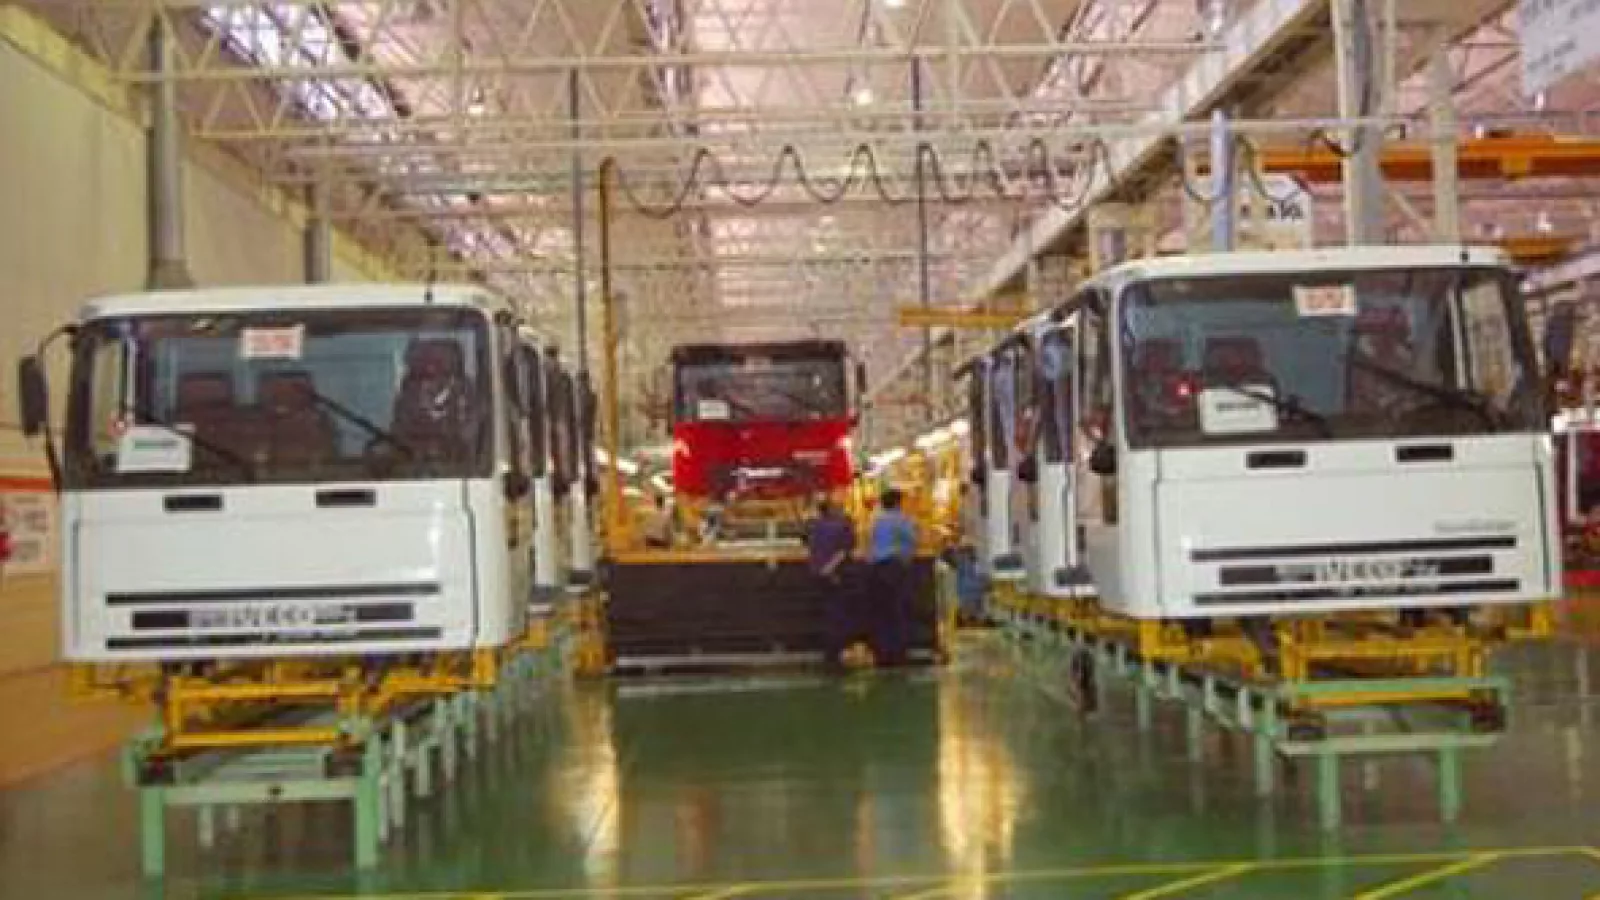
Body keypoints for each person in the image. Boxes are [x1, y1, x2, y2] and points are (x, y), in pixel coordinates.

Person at [866, 488, 917, 666]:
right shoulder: (902, 520)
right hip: (895, 567)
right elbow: (912, 540)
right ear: (897, 502)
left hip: (877, 568)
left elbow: (871, 544)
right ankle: (898, 651)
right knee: (898, 608)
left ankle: (882, 651)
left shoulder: (877, 520)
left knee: (881, 610)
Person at [805, 499, 857, 668]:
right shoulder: (843, 526)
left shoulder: (814, 526)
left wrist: (822, 568)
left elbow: (809, 545)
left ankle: (829, 650)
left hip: (818, 573)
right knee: (839, 612)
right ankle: (837, 649)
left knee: (828, 610)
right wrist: (830, 568)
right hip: (836, 573)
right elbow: (843, 551)